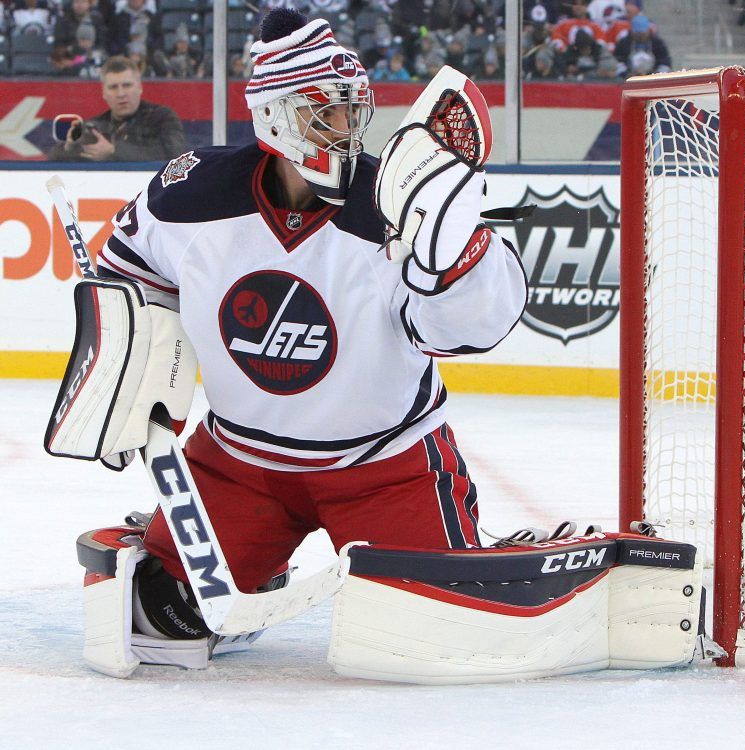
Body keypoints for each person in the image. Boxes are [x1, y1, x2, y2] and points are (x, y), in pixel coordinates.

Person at [64, 9, 527, 669]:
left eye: (352, 109)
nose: (347, 128)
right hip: (240, 466)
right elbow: (131, 271)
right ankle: (254, 565)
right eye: (327, 112)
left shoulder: (394, 206)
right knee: (157, 622)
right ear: (277, 116)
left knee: (430, 640)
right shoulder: (192, 194)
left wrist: (460, 259)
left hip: (383, 468)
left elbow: (473, 328)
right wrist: (124, 364)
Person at [49, 55, 186, 162]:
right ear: (104, 93)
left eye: (127, 85)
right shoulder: (95, 126)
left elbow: (177, 156)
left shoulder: (162, 117)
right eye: (113, 87)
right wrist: (69, 148)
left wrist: (114, 152)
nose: (121, 94)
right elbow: (51, 162)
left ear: (139, 87)